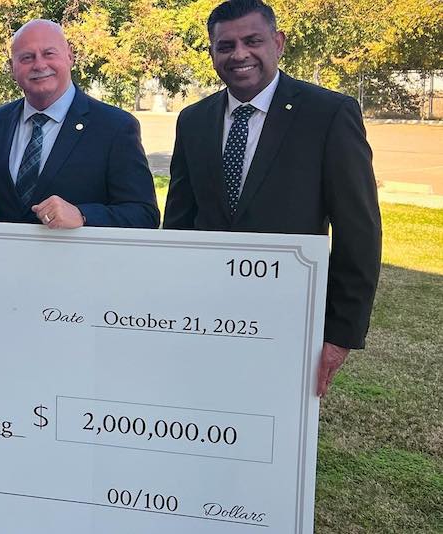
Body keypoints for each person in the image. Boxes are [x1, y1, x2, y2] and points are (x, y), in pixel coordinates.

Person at [163, 0, 382, 396]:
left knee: (271, 428)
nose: (239, 54)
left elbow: (359, 232)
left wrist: (340, 334)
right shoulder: (193, 120)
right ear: (212, 52)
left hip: (290, 316)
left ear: (278, 43)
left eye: (252, 40)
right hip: (204, 311)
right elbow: (179, 221)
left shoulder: (329, 114)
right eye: (225, 46)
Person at [0, 19, 159, 229]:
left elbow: (144, 215)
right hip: (2, 259)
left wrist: (83, 215)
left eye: (49, 53)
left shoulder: (115, 127)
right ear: (12, 68)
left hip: (79, 260)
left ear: (70, 56)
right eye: (26, 58)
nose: (39, 65)